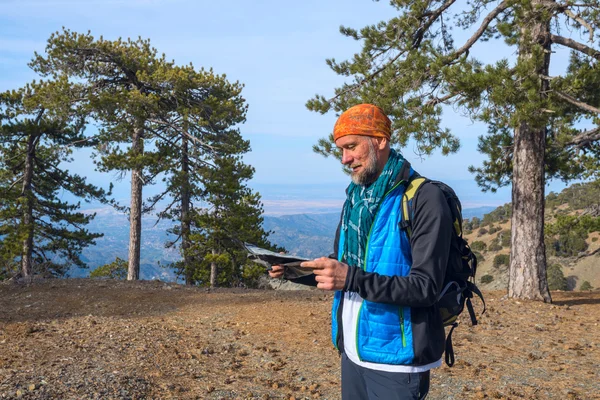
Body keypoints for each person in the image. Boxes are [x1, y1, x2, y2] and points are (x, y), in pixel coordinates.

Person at [269, 103, 453, 400]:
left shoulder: (423, 198)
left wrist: (351, 279)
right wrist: (292, 271)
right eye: (341, 150)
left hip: (396, 360)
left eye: (351, 147)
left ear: (380, 140)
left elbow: (426, 288)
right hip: (353, 353)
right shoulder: (355, 198)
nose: (345, 159)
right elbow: (340, 269)